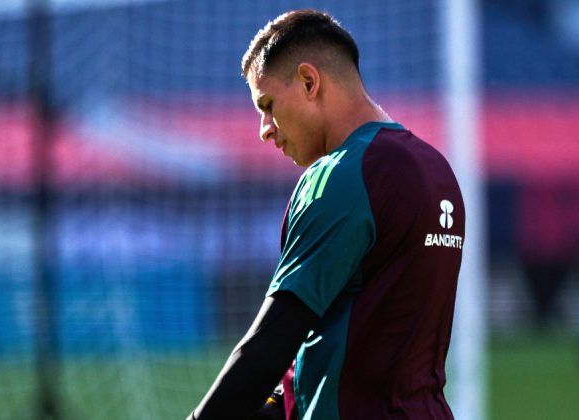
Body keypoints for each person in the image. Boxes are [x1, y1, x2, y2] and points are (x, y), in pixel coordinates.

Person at [189, 9, 465, 420]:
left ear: (308, 82)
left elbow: (269, 345)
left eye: (267, 105)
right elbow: (348, 344)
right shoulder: (436, 170)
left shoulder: (342, 176)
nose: (265, 128)